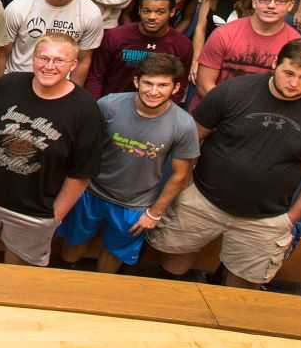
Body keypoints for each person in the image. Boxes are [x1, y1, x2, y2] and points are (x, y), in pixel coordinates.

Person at [148, 39, 301, 288]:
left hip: (268, 217)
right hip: (202, 198)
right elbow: (192, 138)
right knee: (173, 265)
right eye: (288, 73)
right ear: (275, 64)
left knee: (242, 287)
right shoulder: (233, 91)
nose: (294, 83)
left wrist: (292, 218)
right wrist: (186, 184)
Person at [0, 32, 103, 266]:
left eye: (59, 60)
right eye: (43, 58)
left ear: (73, 64)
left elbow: (81, 173)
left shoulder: (86, 111)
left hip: (33, 211)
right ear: (33, 58)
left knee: (17, 272)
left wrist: (56, 215)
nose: (49, 66)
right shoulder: (7, 85)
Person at [58, 53, 200, 271]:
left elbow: (180, 174)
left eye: (162, 85)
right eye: (148, 83)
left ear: (175, 88)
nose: (153, 91)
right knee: (73, 244)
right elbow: (81, 147)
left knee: (114, 254)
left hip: (135, 204)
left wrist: (154, 213)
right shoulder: (108, 105)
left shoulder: (183, 124)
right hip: (91, 193)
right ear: (136, 82)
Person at [1, 0, 104, 82]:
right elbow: (2, 54)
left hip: (59, 84)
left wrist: (73, 95)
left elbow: (83, 61)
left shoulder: (90, 13)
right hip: (18, 79)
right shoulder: (19, 7)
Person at [84, 0, 195, 99]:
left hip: (156, 111)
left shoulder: (182, 45)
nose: (152, 17)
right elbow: (95, 77)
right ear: (139, 10)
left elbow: (179, 86)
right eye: (147, 11)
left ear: (172, 12)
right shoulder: (115, 37)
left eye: (160, 12)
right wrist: (96, 109)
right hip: (111, 108)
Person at [195, 0, 301, 94]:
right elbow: (204, 84)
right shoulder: (223, 33)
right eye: (264, 0)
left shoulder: (295, 43)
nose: (271, 6)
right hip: (219, 104)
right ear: (254, 3)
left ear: (291, 6)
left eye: (280, 1)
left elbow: (292, 87)